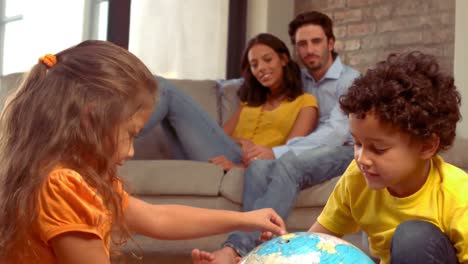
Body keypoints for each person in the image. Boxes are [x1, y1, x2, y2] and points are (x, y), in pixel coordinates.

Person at [0, 40, 287, 263]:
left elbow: (156, 218)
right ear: (92, 117)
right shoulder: (63, 185)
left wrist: (247, 218)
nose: (132, 150)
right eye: (130, 134)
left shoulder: (77, 176)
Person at [192, 11, 360, 263]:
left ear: (331, 43)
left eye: (316, 42)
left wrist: (276, 151)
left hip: (343, 148)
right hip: (306, 151)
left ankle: (236, 248)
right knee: (258, 167)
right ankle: (256, 253)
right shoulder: (299, 77)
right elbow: (261, 74)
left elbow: (336, 133)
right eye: (302, 44)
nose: (309, 50)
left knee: (288, 162)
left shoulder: (350, 80)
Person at [303, 51, 467, 263]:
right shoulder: (356, 179)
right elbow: (315, 242)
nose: (362, 158)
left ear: (426, 146)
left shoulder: (458, 196)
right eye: (357, 143)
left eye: (378, 149)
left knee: (413, 238)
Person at [141, 33, 318, 171]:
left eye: (267, 59)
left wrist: (240, 168)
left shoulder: (306, 103)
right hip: (224, 152)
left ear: (284, 59)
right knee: (158, 87)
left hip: (251, 164)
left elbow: (291, 153)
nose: (261, 68)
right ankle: (119, 137)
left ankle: (117, 138)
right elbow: (222, 135)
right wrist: (241, 141)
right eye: (254, 64)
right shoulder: (249, 104)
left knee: (164, 88)